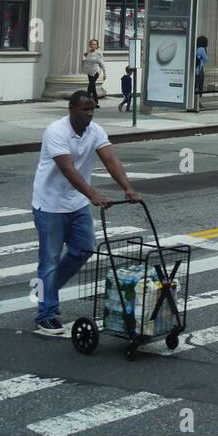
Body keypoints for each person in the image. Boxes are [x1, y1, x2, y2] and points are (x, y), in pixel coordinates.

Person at [31, 90, 140, 336]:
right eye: (84, 109)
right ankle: (45, 314)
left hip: (76, 204)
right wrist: (93, 195)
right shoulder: (56, 131)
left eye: (93, 109)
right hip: (50, 205)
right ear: (71, 109)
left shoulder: (95, 131)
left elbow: (110, 160)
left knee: (84, 249)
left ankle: (46, 292)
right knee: (48, 260)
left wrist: (128, 189)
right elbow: (67, 169)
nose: (89, 114)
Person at [81, 38, 105, 107]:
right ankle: (95, 102)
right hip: (89, 72)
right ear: (89, 45)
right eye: (91, 44)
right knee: (92, 86)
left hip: (96, 71)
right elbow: (86, 62)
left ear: (97, 46)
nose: (92, 45)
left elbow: (102, 63)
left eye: (94, 44)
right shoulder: (88, 53)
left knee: (90, 85)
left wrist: (104, 73)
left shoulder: (99, 53)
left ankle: (87, 101)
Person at [192, 35, 208, 112]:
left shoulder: (197, 48)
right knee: (200, 87)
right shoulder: (202, 49)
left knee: (195, 86)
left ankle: (194, 102)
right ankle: (198, 102)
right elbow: (206, 59)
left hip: (195, 70)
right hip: (199, 70)